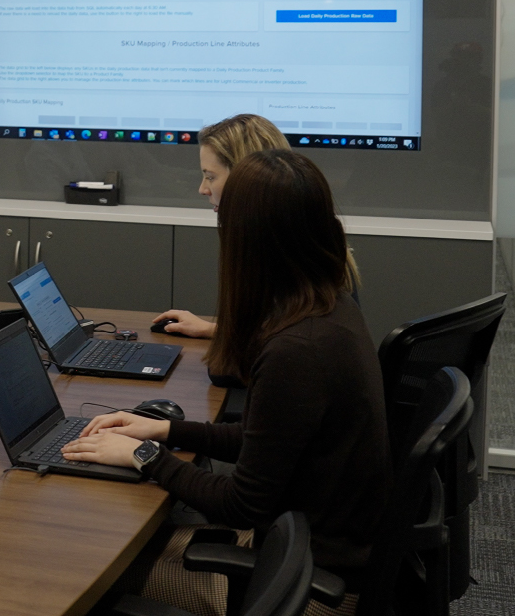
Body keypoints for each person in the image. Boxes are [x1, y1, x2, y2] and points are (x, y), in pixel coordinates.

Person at [62, 150, 388, 616]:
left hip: (306, 587)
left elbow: (241, 505)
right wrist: (163, 431)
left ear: (247, 240)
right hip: (306, 553)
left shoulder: (297, 349)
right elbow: (269, 439)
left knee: (82, 565)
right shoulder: (329, 307)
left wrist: (144, 457)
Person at [153, 114, 360, 339]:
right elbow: (272, 331)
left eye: (210, 177)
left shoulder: (282, 256)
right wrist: (215, 330)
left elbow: (280, 341)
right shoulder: (308, 240)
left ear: (247, 177)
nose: (202, 189)